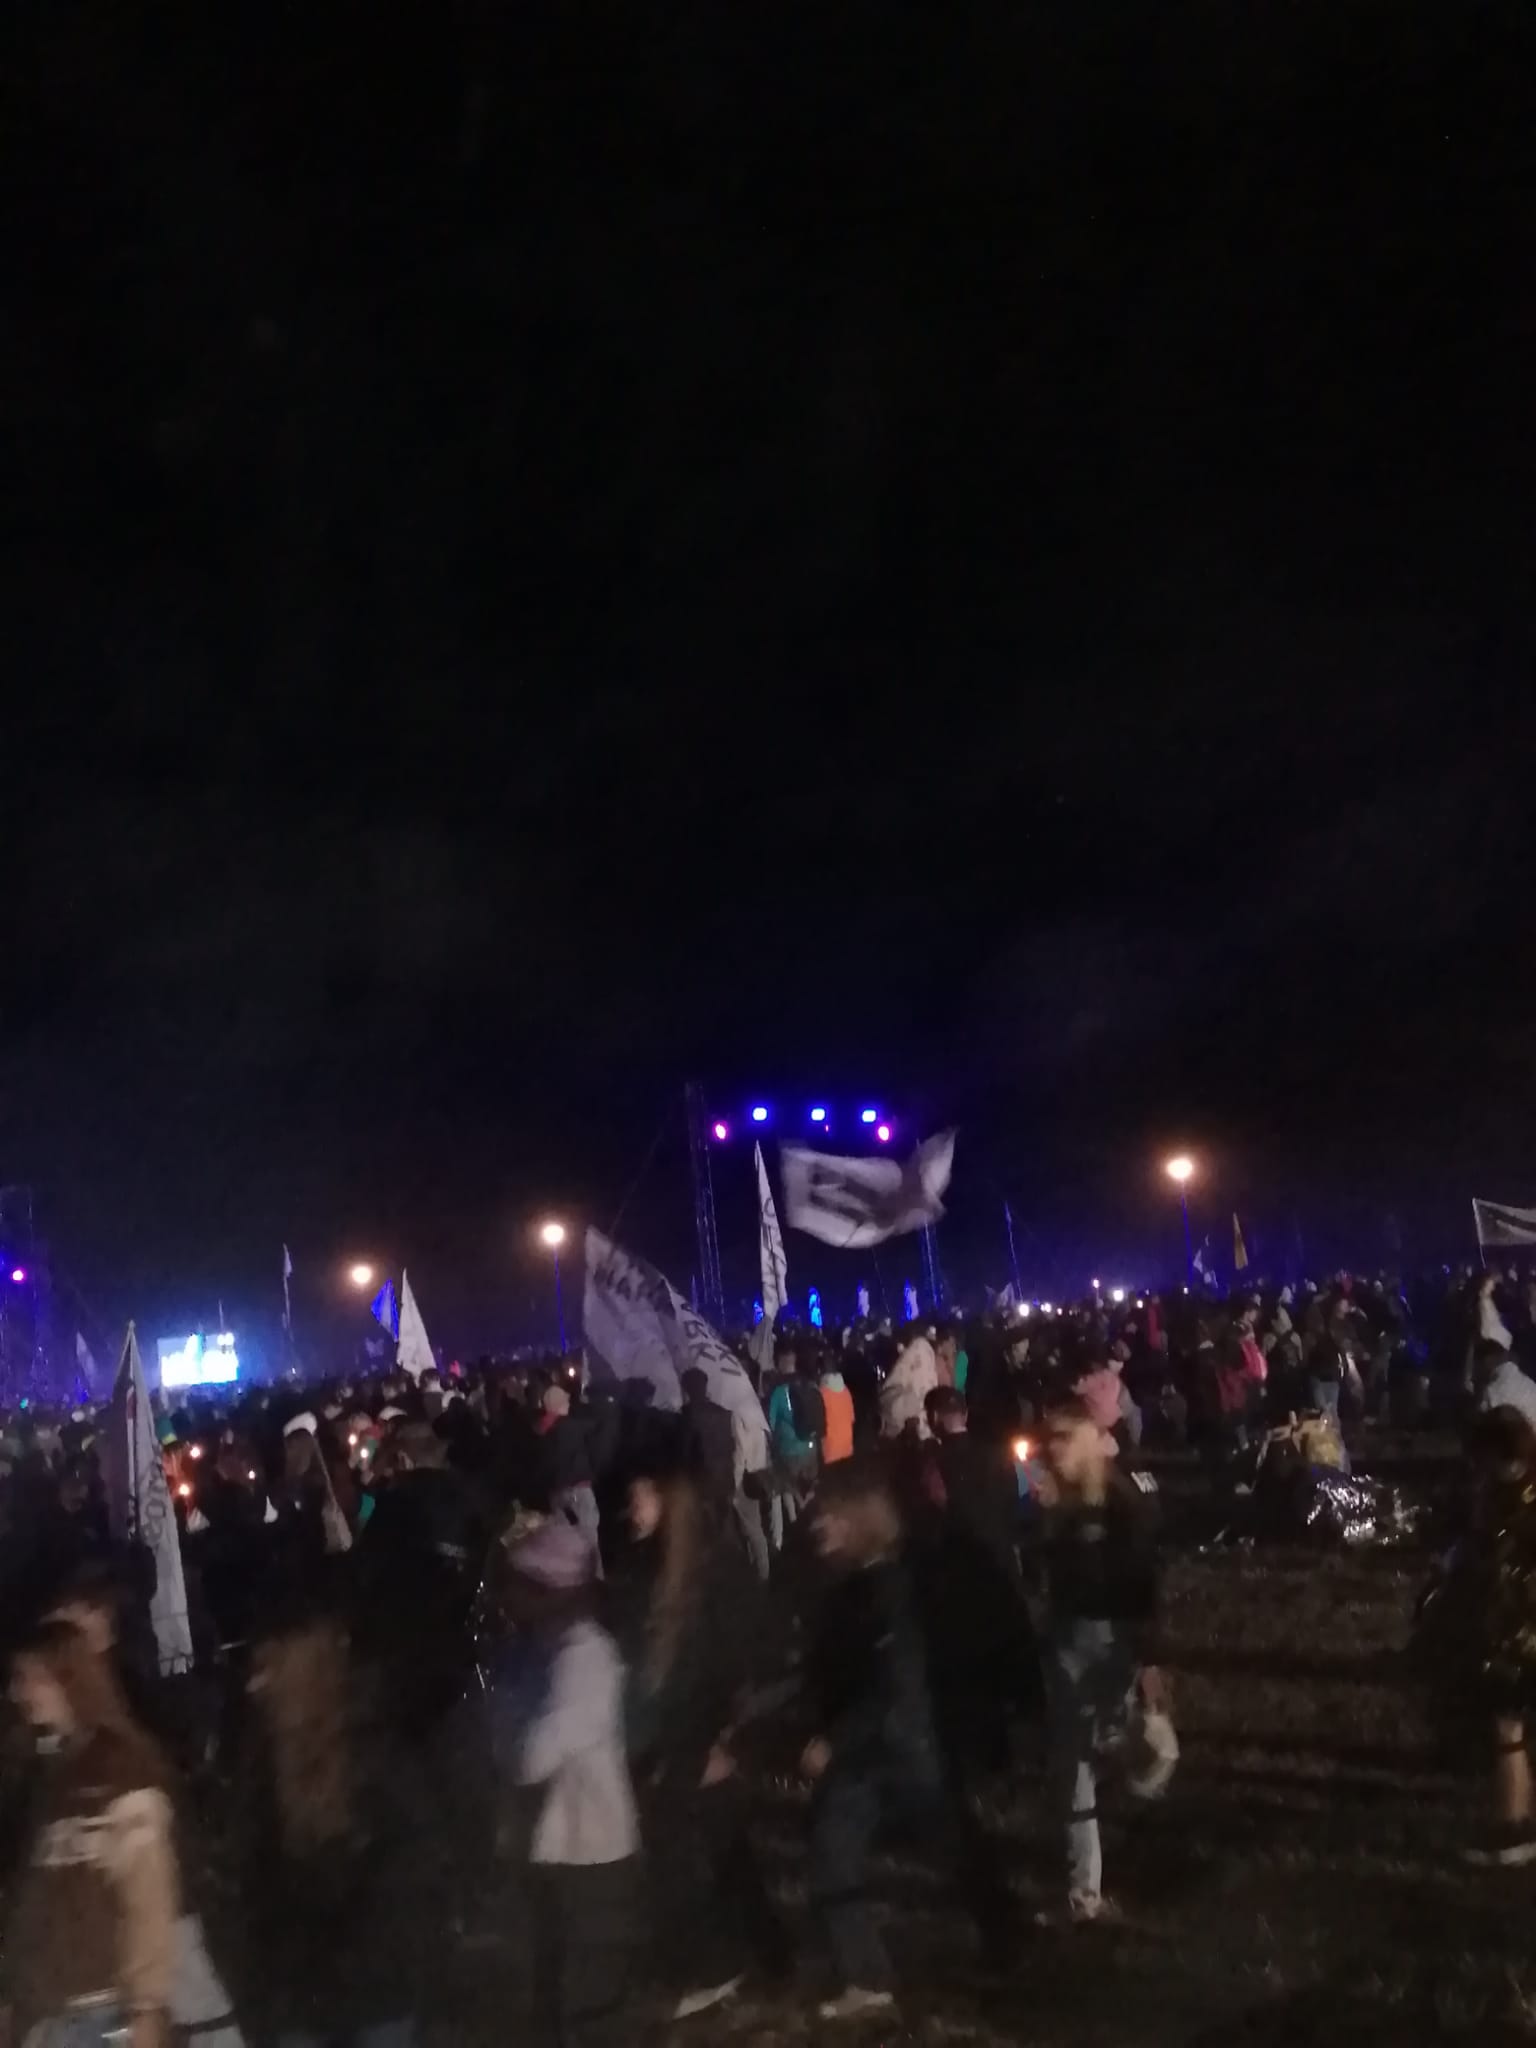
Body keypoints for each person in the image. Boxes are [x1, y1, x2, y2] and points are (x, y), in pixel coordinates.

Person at [612, 1466, 785, 2018]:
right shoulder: (647, 1566)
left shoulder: (714, 1569)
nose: (629, 1511)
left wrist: (722, 1735)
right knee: (721, 1840)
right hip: (672, 1728)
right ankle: (770, 1952)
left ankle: (713, 1962)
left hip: (701, 1730)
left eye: (640, 1497)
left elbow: (738, 1657)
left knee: (675, 1843)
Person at [239, 1602, 425, 2047]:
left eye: (268, 1669)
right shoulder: (265, 1763)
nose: (253, 1684)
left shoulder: (371, 1756)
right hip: (306, 1997)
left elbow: (411, 1873)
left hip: (373, 1992)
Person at [491, 1520, 638, 2048]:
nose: (504, 1598)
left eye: (516, 1586)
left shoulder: (587, 1656)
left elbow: (534, 1753)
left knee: (588, 2002)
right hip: (554, 1854)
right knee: (551, 1991)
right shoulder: (533, 1652)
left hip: (594, 1856)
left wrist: (506, 1731)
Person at [2, 1617, 180, 2048]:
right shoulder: (43, 1777)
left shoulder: (118, 1776)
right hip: (50, 2012)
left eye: (33, 1679)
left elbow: (147, 1894)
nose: (20, 1693)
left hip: (101, 2014)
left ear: (70, 1681)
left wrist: (147, 2008)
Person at [1034, 1395, 1168, 1923]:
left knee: (1125, 1751)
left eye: (1063, 1439)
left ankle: (1150, 1828)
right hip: (1068, 1644)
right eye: (1049, 1441)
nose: (1053, 1451)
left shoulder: (1122, 1500)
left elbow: (1143, 1585)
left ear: (1091, 1437)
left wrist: (1149, 1661)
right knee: (1073, 1764)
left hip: (1112, 1644)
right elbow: (1054, 1579)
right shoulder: (1060, 1503)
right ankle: (1083, 1892)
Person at [1473, 1338, 1536, 1433]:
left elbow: (1482, 1420)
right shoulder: (1526, 1381)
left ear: (1487, 1360)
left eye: (1477, 1365)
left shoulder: (1493, 1391)